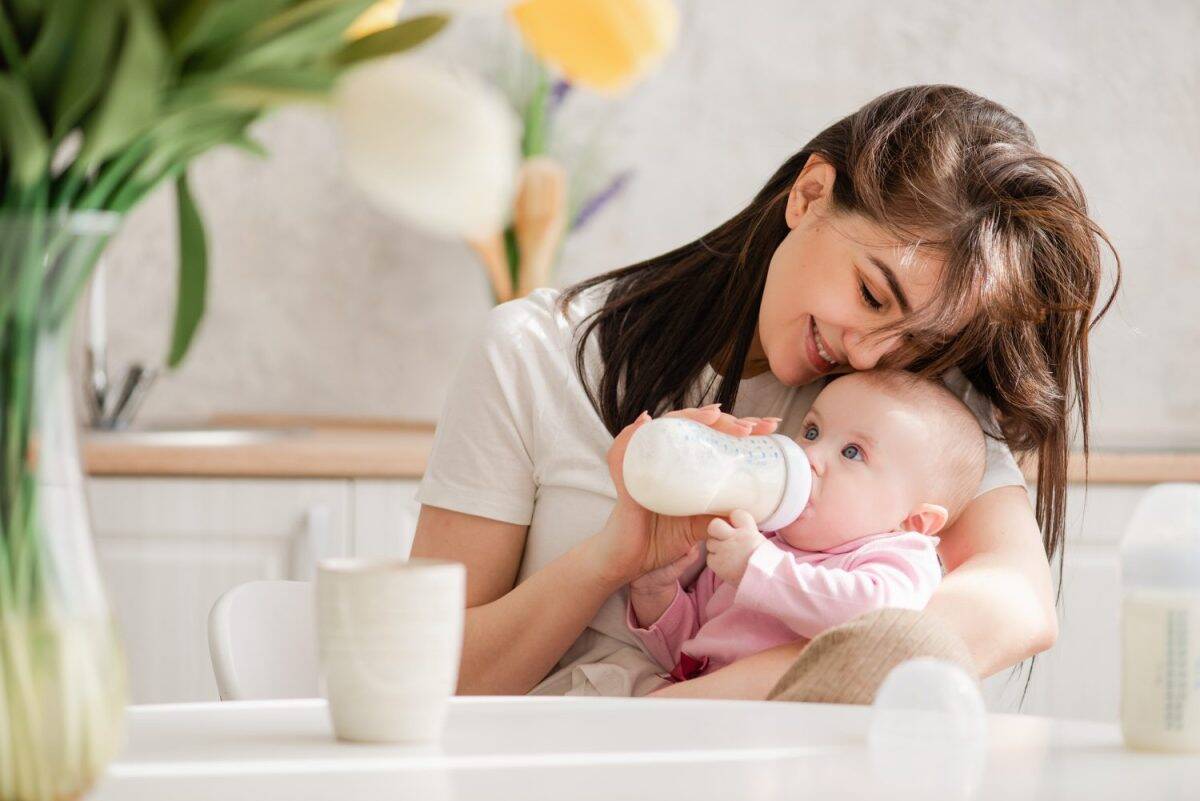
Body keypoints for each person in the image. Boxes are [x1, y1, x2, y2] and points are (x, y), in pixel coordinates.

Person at [411, 84, 1119, 699]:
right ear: (809, 195)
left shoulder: (905, 403)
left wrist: (692, 713)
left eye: (914, 340)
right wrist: (609, 561)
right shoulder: (534, 353)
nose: (867, 354)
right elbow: (431, 675)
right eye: (872, 295)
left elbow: (1015, 603)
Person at [626, 369, 985, 687]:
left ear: (913, 521)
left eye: (852, 452)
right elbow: (691, 648)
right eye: (812, 432)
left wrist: (757, 568)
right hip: (697, 701)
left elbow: (877, 621)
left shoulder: (897, 555)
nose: (809, 455)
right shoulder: (758, 538)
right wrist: (655, 593)